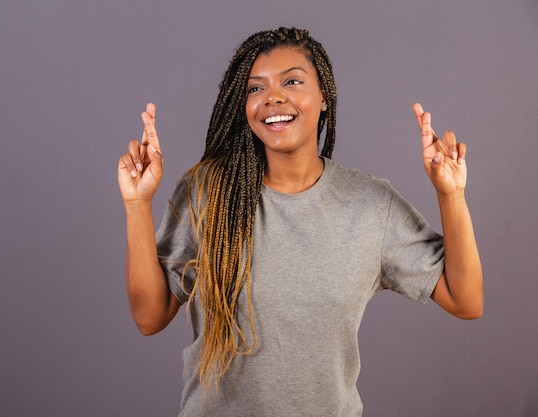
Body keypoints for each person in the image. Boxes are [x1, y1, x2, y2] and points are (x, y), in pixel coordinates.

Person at [117, 27, 483, 417]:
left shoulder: (370, 205)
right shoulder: (208, 194)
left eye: (292, 81)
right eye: (255, 88)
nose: (272, 97)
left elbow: (466, 300)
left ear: (323, 96)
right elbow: (149, 317)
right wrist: (138, 204)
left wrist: (451, 195)